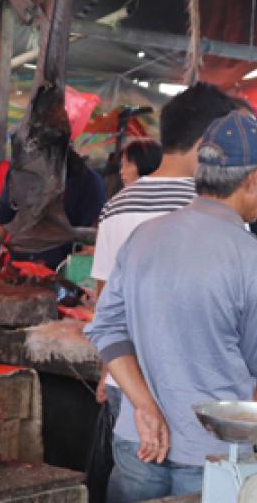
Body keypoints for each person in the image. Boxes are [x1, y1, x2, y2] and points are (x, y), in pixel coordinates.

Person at [87, 110, 257, 501]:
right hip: (214, 453)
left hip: (139, 436)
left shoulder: (145, 236)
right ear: (252, 179)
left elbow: (105, 327)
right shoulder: (248, 256)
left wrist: (144, 405)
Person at [0, 146, 106, 271]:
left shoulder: (89, 183)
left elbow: (94, 236)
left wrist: (82, 261)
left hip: (61, 273)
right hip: (18, 268)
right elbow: (3, 217)